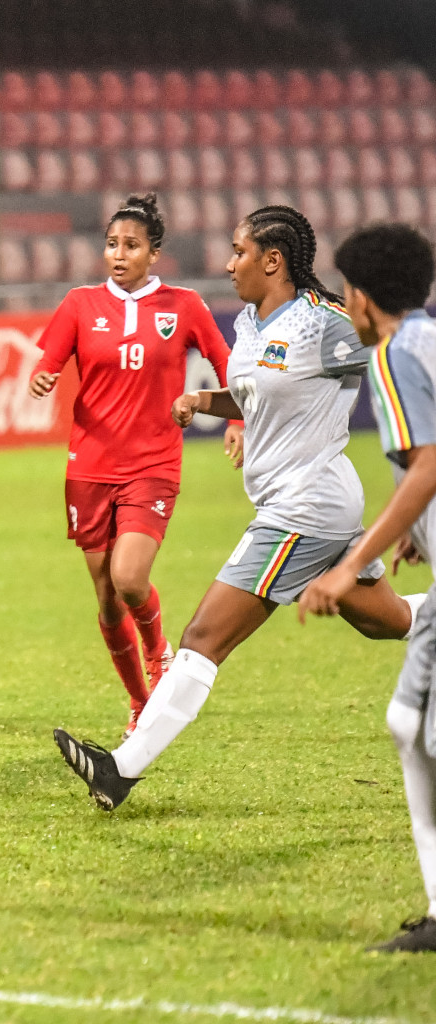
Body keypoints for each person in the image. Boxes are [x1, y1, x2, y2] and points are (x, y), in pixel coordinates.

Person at [53, 205, 423, 810]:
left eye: (239, 252)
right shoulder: (252, 325)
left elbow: (393, 347)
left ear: (272, 261)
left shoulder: (323, 325)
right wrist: (204, 400)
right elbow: (258, 398)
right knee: (387, 621)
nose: (227, 264)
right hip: (310, 506)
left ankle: (119, 768)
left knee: (202, 637)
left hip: (302, 508)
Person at [30, 193, 236, 738]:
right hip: (89, 466)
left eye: (131, 246)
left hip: (153, 463)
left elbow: (226, 362)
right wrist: (43, 377)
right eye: (112, 244)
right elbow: (47, 363)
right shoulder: (79, 305)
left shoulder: (183, 305)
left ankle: (159, 652)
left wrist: (235, 419)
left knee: (129, 578)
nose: (118, 254)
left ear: (154, 253)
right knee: (104, 596)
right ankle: (140, 702)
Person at [300, 223, 436, 954]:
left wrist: (353, 565)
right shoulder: (430, 341)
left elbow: (427, 466)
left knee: (416, 729)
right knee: (410, 727)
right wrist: (421, 529)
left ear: (360, 296)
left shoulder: (390, 359)